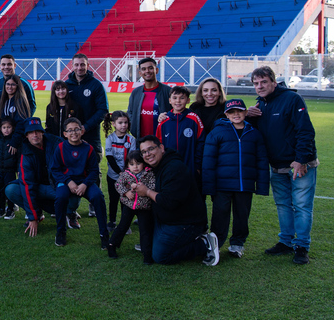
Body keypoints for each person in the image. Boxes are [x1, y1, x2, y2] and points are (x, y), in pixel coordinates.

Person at [246, 66, 318, 265]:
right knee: (283, 206)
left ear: (273, 82)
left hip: (299, 165)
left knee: (302, 206)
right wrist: (248, 116)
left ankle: (302, 246)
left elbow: (305, 131)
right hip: (277, 166)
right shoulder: (260, 105)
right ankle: (286, 242)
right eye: (256, 83)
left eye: (263, 82)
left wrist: (301, 159)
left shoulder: (292, 99)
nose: (259, 87)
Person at [133, 136, 219, 266]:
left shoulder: (174, 168)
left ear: (161, 148)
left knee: (160, 255)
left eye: (151, 149)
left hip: (186, 222)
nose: (148, 154)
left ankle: (204, 243)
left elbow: (169, 202)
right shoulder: (156, 167)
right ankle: (155, 242)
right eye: (144, 152)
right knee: (150, 248)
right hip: (166, 219)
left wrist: (147, 192)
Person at [202, 99, 269, 258]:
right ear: (226, 114)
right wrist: (209, 186)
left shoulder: (254, 133)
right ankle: (216, 244)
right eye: (232, 112)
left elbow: (261, 161)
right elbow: (208, 161)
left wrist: (262, 186)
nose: (236, 114)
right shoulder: (218, 132)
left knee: (242, 216)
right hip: (222, 185)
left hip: (244, 185)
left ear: (246, 112)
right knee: (220, 216)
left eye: (239, 111)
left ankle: (237, 244)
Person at [4, 118, 67, 237]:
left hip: (57, 186)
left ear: (43, 132)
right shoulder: (25, 152)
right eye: (31, 132)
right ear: (26, 135)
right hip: (39, 188)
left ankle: (68, 212)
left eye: (37, 131)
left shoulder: (57, 143)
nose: (35, 135)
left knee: (71, 199)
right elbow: (27, 184)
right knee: (11, 190)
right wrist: (33, 217)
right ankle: (38, 213)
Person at [51, 118, 109, 248]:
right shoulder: (60, 148)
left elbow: (94, 171)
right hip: (66, 182)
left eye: (76, 129)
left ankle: (104, 234)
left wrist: (85, 184)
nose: (74, 133)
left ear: (81, 131)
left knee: (98, 196)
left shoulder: (88, 148)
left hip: (84, 182)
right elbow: (55, 169)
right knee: (60, 197)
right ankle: (61, 232)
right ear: (65, 133)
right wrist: (68, 181)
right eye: (70, 130)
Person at [65, 53, 109, 218]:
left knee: (93, 169)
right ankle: (71, 205)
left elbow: (103, 110)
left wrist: (85, 127)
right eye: (76, 65)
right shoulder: (67, 84)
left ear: (88, 66)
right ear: (72, 65)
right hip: (71, 137)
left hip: (91, 136)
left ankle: (93, 203)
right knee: (70, 169)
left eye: (82, 64)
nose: (79, 67)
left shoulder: (96, 85)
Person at [107, 150, 155, 264]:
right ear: (128, 165)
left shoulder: (149, 173)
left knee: (145, 230)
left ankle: (147, 254)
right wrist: (126, 192)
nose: (135, 167)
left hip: (144, 207)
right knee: (123, 226)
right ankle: (111, 245)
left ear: (144, 163)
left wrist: (143, 187)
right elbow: (117, 184)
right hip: (129, 205)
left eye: (138, 163)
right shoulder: (125, 174)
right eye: (132, 164)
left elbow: (154, 185)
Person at [156, 86, 204, 184]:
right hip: (169, 167)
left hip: (189, 167)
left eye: (182, 98)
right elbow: (158, 144)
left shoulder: (194, 119)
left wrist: (197, 165)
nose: (178, 101)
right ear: (170, 100)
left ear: (188, 100)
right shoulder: (164, 121)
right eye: (175, 98)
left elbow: (201, 141)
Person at [103, 110, 136, 233]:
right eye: (120, 122)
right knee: (114, 199)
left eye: (126, 122)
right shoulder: (110, 138)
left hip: (127, 176)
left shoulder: (131, 139)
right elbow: (110, 157)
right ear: (113, 124)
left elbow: (131, 158)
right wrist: (119, 172)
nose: (124, 125)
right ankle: (112, 221)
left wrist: (126, 173)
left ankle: (124, 223)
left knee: (125, 199)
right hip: (113, 176)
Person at [128, 57, 172, 139]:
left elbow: (176, 112)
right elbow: (130, 112)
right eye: (144, 69)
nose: (147, 71)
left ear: (157, 70)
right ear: (140, 73)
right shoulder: (136, 92)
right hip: (141, 140)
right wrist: (134, 128)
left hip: (163, 140)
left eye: (150, 68)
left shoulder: (168, 91)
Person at [0, 118, 19, 219]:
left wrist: (18, 169)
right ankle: (1, 208)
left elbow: (18, 157)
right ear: (0, 128)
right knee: (1, 190)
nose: (6, 130)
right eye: (4, 127)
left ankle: (10, 209)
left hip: (10, 170)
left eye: (9, 127)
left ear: (13, 128)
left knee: (9, 190)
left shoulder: (14, 141)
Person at [0, 74, 30, 155]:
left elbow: (21, 124)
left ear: (18, 86)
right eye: (8, 84)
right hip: (4, 141)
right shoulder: (3, 101)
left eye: (13, 84)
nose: (10, 87)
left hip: (15, 143)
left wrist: (14, 142)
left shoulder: (21, 101)